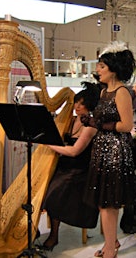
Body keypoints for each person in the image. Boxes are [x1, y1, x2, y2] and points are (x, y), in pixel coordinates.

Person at [82, 41, 136, 258]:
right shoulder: (104, 92)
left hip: (115, 151)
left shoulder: (122, 92)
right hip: (102, 149)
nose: (98, 70)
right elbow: (102, 119)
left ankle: (110, 249)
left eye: (101, 67)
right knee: (105, 203)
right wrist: (91, 121)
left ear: (113, 69)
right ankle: (111, 242)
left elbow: (127, 125)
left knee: (108, 204)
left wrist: (101, 125)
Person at [41, 82, 100, 251]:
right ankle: (48, 231)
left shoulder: (90, 126)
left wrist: (49, 144)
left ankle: (54, 235)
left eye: (81, 104)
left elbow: (75, 151)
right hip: (65, 166)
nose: (77, 106)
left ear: (89, 105)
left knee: (53, 193)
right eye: (76, 102)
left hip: (80, 171)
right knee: (45, 187)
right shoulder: (71, 119)